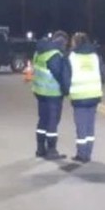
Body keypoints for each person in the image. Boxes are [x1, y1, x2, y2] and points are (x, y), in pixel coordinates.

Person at [66, 32, 105, 163]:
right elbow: (103, 75)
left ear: (76, 43)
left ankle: (81, 154)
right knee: (90, 125)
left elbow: (66, 76)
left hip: (79, 96)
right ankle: (88, 153)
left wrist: (67, 91)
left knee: (81, 126)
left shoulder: (72, 56)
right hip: (94, 94)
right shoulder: (95, 55)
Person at [30, 30, 70, 159]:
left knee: (43, 119)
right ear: (63, 42)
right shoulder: (55, 54)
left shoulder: (39, 51)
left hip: (40, 91)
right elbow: (59, 74)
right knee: (53, 121)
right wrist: (66, 89)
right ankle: (52, 150)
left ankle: (40, 149)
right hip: (52, 93)